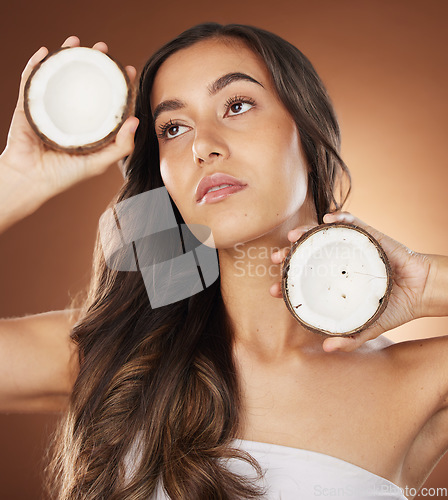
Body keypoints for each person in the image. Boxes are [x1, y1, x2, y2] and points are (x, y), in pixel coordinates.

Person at [0, 22, 447, 500]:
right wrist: (17, 178)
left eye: (236, 105)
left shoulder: (422, 383)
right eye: (174, 128)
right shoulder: (117, 356)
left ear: (308, 132)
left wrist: (428, 284)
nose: (202, 145)